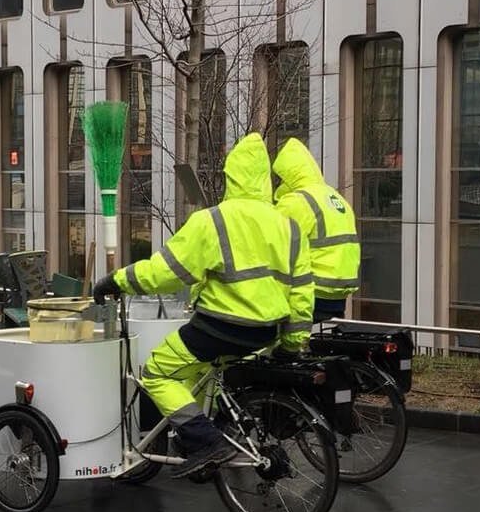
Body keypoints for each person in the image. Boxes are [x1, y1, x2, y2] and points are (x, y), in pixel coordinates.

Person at [93, 133, 314, 479]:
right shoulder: (289, 226)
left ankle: (206, 441)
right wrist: (292, 343)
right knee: (198, 373)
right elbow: (302, 293)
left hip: (219, 327)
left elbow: (166, 272)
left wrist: (117, 280)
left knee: (158, 372)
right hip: (266, 331)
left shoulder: (213, 221)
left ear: (231, 176)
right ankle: (211, 438)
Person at [272, 137, 360, 323]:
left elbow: (273, 245)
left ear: (287, 175)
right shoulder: (334, 197)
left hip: (313, 291)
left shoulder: (297, 201)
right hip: (339, 293)